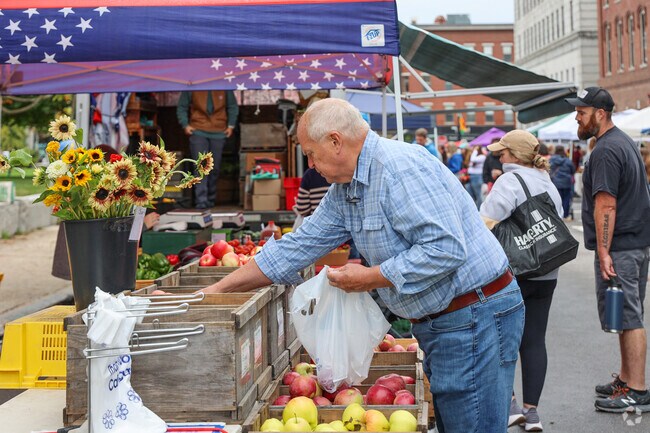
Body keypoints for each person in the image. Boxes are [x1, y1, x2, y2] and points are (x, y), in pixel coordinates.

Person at [201, 98, 524, 432]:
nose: (310, 165)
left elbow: (444, 248)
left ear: (336, 141)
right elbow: (296, 247)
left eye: (311, 153)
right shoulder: (348, 188)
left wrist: (370, 277)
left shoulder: (399, 169)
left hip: (474, 315)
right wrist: (212, 292)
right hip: (446, 321)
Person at [565, 87, 650, 413]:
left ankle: (638, 391)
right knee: (629, 314)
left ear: (600, 113)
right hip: (634, 244)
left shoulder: (605, 151)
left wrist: (603, 252)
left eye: (582, 112)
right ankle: (628, 380)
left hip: (623, 247)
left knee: (629, 317)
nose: (577, 116)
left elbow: (606, 205)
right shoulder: (623, 141)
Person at [480, 130, 564, 432]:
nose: (499, 156)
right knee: (534, 339)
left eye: (503, 152)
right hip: (546, 271)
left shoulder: (508, 180)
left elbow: (486, 220)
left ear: (514, 156)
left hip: (514, 272)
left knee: (502, 338)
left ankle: (510, 404)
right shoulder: (547, 180)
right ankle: (532, 413)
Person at [176, 90, 239, 209]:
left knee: (214, 167)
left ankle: (210, 199)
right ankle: (201, 200)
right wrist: (185, 124)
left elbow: (232, 106)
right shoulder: (193, 85)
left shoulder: (224, 86)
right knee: (200, 166)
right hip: (198, 129)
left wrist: (231, 125)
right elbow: (182, 106)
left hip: (219, 130)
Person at [549, 145, 576, 221]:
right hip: (567, 182)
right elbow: (573, 170)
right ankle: (565, 214)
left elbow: (549, 170)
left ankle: (558, 214)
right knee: (566, 198)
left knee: (557, 198)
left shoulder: (552, 160)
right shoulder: (567, 160)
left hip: (556, 182)